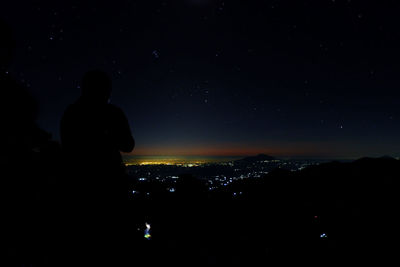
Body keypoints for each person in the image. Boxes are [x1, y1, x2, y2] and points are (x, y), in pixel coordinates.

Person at [60, 70, 134, 264]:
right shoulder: (113, 113)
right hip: (109, 183)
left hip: (79, 185)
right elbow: (128, 145)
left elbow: (68, 147)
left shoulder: (71, 112)